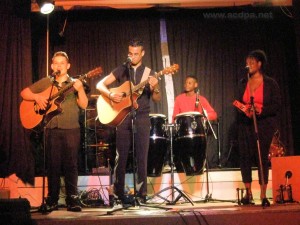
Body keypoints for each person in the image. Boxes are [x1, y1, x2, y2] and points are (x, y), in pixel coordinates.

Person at [20, 51, 88, 212]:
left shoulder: (75, 83)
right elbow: (24, 93)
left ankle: (72, 199)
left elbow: (84, 105)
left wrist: (80, 90)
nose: (59, 65)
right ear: (52, 66)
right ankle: (52, 199)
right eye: (56, 63)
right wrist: (37, 98)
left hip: (71, 128)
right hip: (51, 128)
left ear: (68, 66)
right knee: (53, 166)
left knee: (71, 165)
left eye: (62, 63)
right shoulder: (47, 82)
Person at [96, 38, 161, 206]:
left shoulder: (150, 73)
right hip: (123, 118)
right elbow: (100, 84)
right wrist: (110, 95)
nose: (132, 56)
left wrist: (155, 87)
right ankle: (118, 194)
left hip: (142, 118)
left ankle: (141, 195)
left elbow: (157, 98)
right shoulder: (122, 69)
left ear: (143, 53)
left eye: (136, 54)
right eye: (130, 53)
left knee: (141, 158)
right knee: (121, 157)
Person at [235, 50, 281, 206]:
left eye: (252, 62)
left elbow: (276, 105)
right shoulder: (242, 82)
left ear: (260, 64)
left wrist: (262, 110)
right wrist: (244, 109)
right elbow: (236, 101)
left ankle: (263, 194)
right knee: (245, 157)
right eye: (247, 61)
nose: (249, 64)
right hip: (245, 124)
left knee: (261, 157)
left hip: (263, 124)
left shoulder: (270, 83)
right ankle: (248, 194)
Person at [172, 75, 218, 169]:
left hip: (198, 132)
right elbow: (174, 117)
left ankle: (199, 166)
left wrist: (203, 119)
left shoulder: (201, 99)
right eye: (186, 83)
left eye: (190, 83)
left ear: (195, 85)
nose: (186, 85)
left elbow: (213, 114)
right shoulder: (179, 99)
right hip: (183, 133)